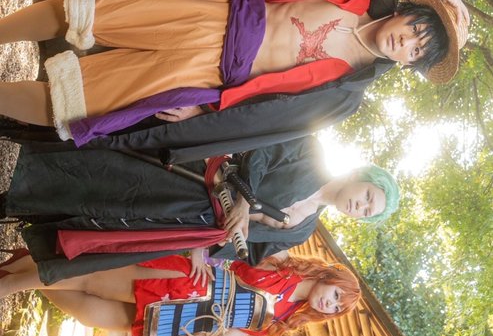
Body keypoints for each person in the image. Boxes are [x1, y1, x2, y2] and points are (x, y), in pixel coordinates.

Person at [0, 0, 469, 150]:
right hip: (214, 11)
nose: (407, 42)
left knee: (75, 103)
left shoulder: (344, 89)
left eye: (415, 51)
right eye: (416, 29)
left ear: (407, 63)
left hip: (208, 75)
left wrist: (204, 111)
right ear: (405, 12)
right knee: (86, 12)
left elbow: (269, 113)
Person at [0, 138, 400, 279]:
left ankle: (22, 212)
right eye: (368, 196)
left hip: (189, 228)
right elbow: (261, 152)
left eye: (368, 212)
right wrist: (244, 202)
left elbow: (251, 252)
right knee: (105, 186)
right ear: (361, 176)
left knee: (106, 231)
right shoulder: (312, 152)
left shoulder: (304, 230)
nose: (361, 206)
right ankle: (22, 189)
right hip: (192, 182)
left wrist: (208, 247)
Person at [0, 249, 361, 336]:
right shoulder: (285, 261)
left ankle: (23, 266)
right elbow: (235, 237)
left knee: (87, 310)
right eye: (336, 296)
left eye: (335, 309)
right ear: (330, 277)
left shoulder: (282, 321)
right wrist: (199, 250)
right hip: (185, 280)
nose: (330, 305)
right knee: (91, 281)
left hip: (182, 320)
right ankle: (12, 281)